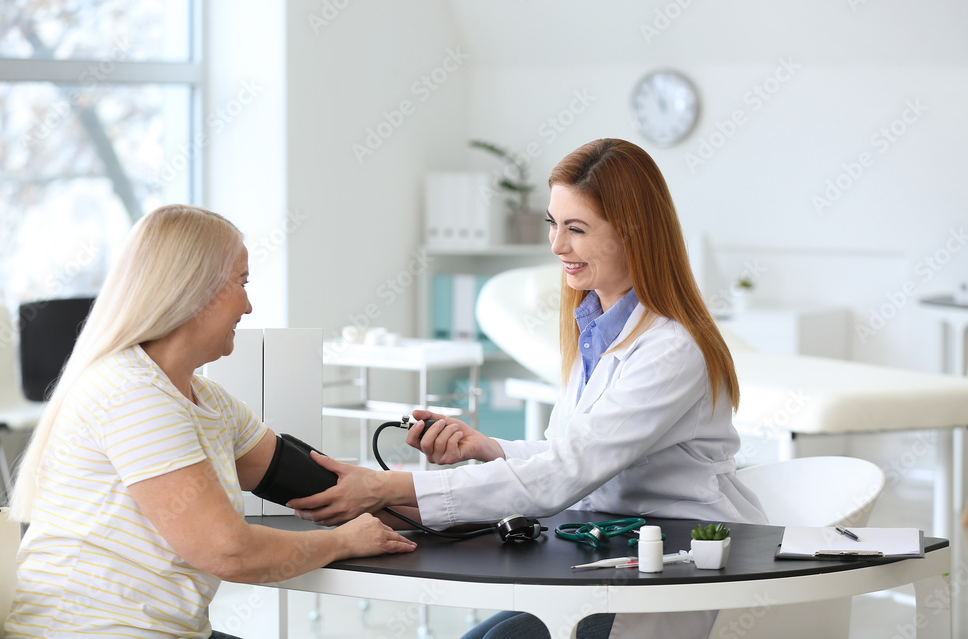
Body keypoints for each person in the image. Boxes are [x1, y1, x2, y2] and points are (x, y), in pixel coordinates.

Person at [290, 138, 766, 638]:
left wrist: (390, 487)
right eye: (553, 224)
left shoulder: (671, 349)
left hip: (672, 559)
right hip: (603, 547)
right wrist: (488, 448)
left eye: (576, 229)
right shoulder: (597, 328)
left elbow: (567, 471)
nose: (557, 246)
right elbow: (572, 453)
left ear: (632, 233)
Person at [6, 204, 416, 639]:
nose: (249, 304)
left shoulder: (208, 401)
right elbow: (228, 552)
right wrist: (344, 541)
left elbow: (319, 487)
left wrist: (450, 506)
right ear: (193, 289)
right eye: (242, 282)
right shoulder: (130, 393)